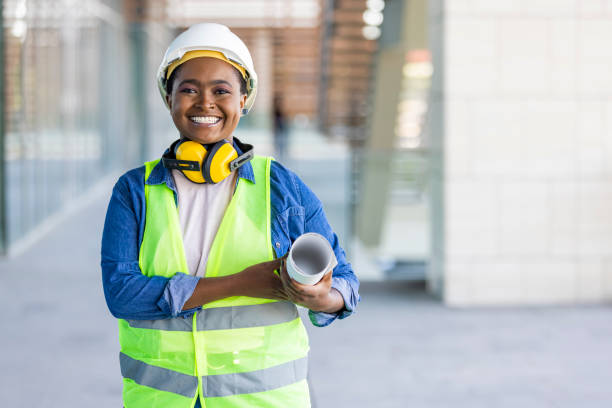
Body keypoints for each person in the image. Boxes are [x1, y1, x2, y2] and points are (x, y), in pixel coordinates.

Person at [101, 23, 359, 408]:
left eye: (221, 90)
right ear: (168, 98)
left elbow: (346, 283)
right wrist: (242, 282)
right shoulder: (134, 190)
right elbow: (122, 294)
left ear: (243, 100)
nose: (205, 103)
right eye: (188, 89)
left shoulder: (281, 187)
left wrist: (322, 299)